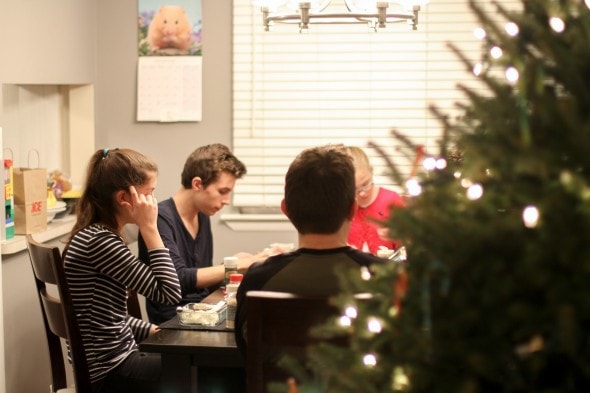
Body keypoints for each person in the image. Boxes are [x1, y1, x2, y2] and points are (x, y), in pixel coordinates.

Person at [234, 145, 384, 355]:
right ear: (353, 209)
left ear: (286, 209)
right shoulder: (384, 276)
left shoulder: (258, 280)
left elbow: (246, 350)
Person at [62, 148, 182, 393]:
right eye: (149, 194)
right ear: (125, 198)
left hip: (108, 363)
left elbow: (104, 318)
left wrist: (149, 329)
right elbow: (169, 293)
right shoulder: (101, 242)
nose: (153, 202)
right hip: (109, 372)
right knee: (196, 370)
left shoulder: (96, 236)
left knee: (188, 362)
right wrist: (150, 228)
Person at [137, 143, 273, 325]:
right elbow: (179, 279)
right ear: (198, 184)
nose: (226, 201)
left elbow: (199, 282)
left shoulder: (202, 216)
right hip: (173, 324)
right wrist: (242, 264)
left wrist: (229, 265)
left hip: (202, 314)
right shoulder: (160, 218)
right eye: (222, 192)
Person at [343, 145, 405, 255]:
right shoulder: (343, 205)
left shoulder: (391, 199)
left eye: (366, 184)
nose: (362, 193)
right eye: (355, 189)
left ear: (371, 171)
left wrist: (396, 235)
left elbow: (409, 244)